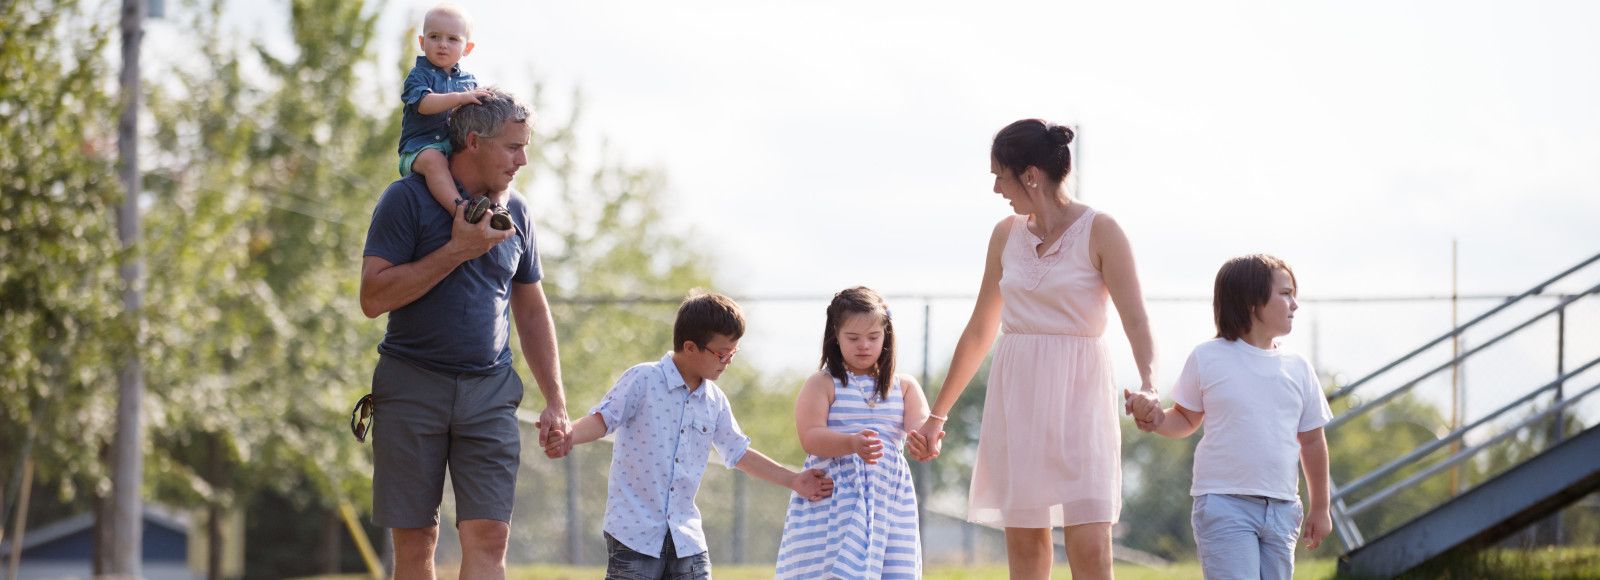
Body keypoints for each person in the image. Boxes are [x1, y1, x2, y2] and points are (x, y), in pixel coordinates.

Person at [912, 119, 1157, 579]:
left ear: (1029, 175)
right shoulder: (1006, 234)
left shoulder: (1101, 230)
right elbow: (981, 328)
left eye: (999, 175)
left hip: (1079, 396)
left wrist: (1149, 383)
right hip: (1017, 395)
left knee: (1089, 544)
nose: (995, 188)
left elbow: (1136, 319)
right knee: (1025, 544)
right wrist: (937, 415)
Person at [359, 87, 569, 580]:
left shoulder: (516, 212)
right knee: (415, 544)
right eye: (513, 147)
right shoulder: (405, 200)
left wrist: (555, 399)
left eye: (526, 146)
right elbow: (372, 297)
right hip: (411, 386)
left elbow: (532, 309)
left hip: (490, 391)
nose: (523, 160)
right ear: (473, 141)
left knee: (491, 538)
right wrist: (457, 249)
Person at [545, 291, 835, 580]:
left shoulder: (715, 401)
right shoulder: (643, 380)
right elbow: (603, 419)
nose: (728, 361)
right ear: (690, 347)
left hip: (686, 539)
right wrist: (569, 434)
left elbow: (738, 452)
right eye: (722, 354)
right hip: (635, 534)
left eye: (733, 353)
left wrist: (794, 480)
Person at [1125, 255, 1332, 579]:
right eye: (1286, 294)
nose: (1295, 304)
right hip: (1225, 506)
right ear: (1252, 302)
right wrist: (1156, 420)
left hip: (1282, 510)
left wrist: (1320, 506)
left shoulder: (1299, 368)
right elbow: (1185, 418)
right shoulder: (1208, 357)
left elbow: (1312, 440)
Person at [774, 287, 933, 579]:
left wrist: (927, 440)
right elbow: (810, 437)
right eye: (853, 338)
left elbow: (921, 427)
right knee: (832, 569)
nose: (864, 346)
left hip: (888, 500)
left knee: (894, 571)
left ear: (886, 336)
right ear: (835, 335)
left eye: (873, 337)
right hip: (836, 497)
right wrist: (850, 443)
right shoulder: (823, 383)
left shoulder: (904, 386)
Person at [399, 4, 494, 217]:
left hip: (454, 149)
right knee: (435, 161)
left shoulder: (470, 81)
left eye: (452, 39)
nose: (442, 44)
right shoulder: (418, 76)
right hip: (419, 150)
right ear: (422, 43)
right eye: (434, 37)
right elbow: (424, 104)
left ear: (467, 48)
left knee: (492, 160)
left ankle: (498, 209)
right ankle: (461, 211)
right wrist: (460, 98)